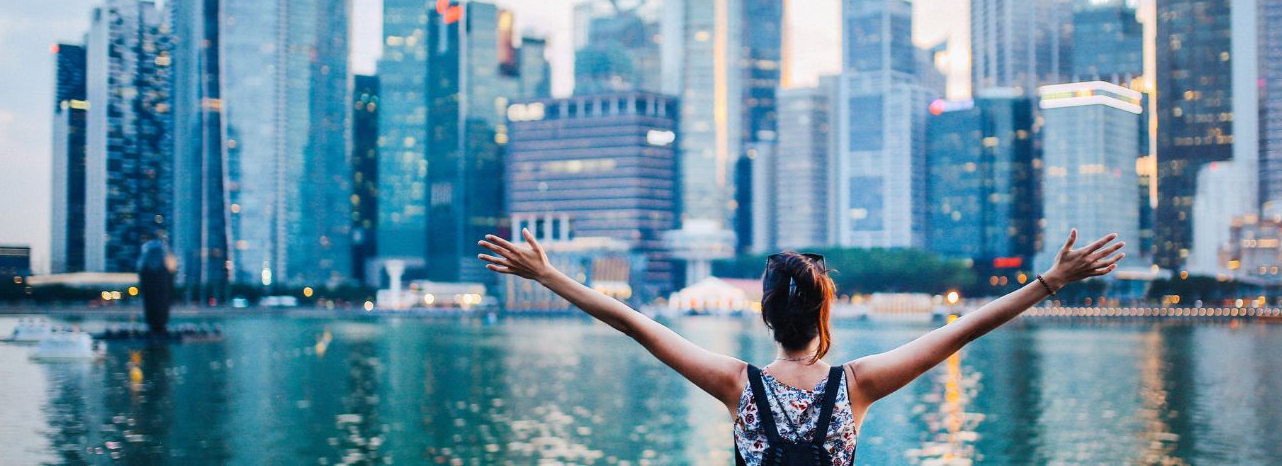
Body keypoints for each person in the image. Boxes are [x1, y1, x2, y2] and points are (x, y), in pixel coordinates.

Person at [479, 228, 1123, 465]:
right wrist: (1050, 281)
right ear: (825, 310)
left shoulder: (738, 385)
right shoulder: (858, 385)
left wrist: (548, 275)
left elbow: (633, 322)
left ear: (765, 316)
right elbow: (964, 329)